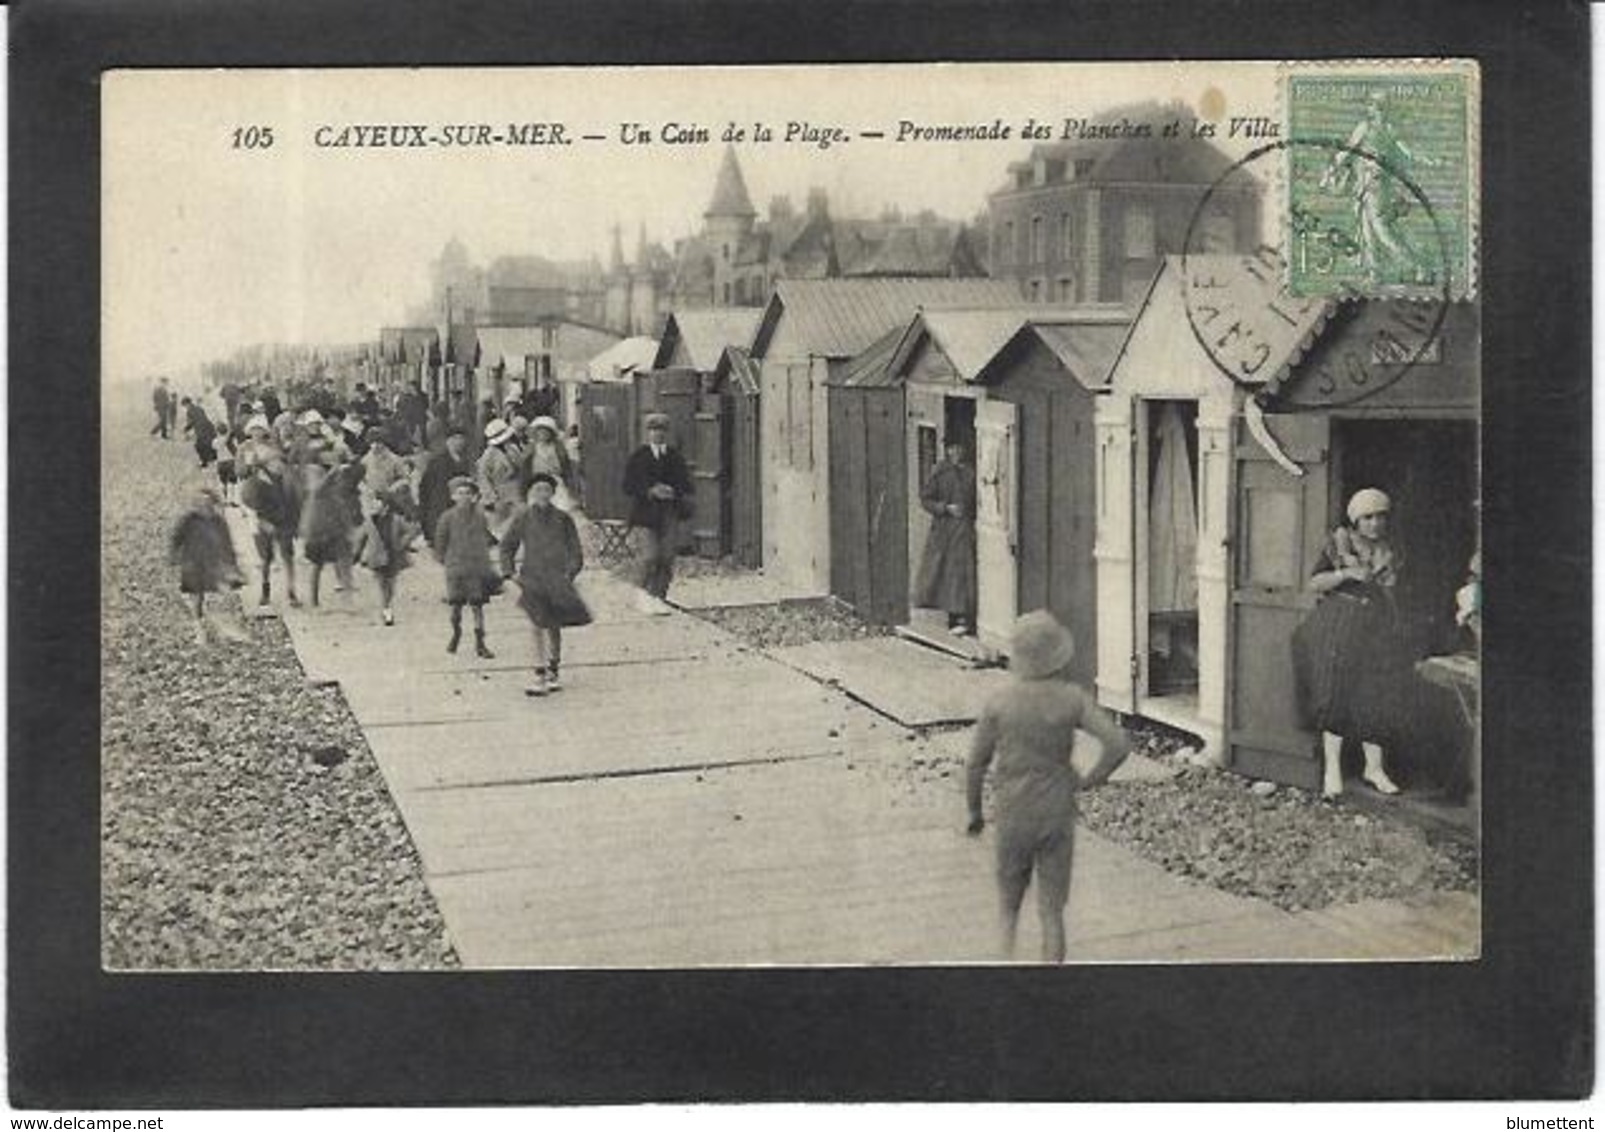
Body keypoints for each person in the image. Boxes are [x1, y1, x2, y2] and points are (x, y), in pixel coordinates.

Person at [965, 610, 1132, 964]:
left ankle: (1002, 969)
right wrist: (1091, 780)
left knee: (1008, 908)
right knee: (1052, 912)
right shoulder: (1072, 698)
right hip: (1056, 811)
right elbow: (1117, 744)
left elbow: (976, 764)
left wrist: (974, 811)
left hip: (1012, 811)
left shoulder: (999, 703)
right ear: (1057, 655)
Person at [1292, 487, 1409, 797]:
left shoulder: (1391, 551)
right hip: (1341, 623)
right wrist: (1346, 574)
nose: (1375, 524)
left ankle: (1374, 769)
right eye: (1368, 518)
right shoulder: (1339, 545)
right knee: (1336, 695)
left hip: (1377, 627)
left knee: (1376, 696)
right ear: (1356, 521)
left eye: (1380, 517)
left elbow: (1395, 591)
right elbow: (1315, 582)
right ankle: (1333, 770)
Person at [500, 473, 589, 697]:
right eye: (537, 490)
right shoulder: (523, 517)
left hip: (557, 577)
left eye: (546, 490)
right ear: (531, 493)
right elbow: (507, 545)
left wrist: (571, 571)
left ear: (553, 493)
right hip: (532, 576)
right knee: (536, 623)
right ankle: (538, 670)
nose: (542, 494)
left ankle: (553, 668)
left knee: (554, 624)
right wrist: (508, 572)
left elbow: (575, 549)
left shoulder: (563, 519)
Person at [622, 413, 693, 613]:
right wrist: (649, 490)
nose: (657, 434)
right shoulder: (639, 457)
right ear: (648, 433)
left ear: (666, 433)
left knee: (667, 557)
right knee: (649, 556)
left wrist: (673, 491)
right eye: (653, 430)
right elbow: (627, 486)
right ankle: (639, 595)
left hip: (669, 513)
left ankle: (658, 597)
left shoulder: (675, 457)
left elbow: (686, 485)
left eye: (661, 431)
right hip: (646, 514)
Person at [168, 487, 248, 646]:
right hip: (193, 563)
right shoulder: (188, 520)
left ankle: (221, 627)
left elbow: (227, 543)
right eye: (200, 503)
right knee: (196, 596)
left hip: (214, 564)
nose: (204, 506)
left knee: (219, 596)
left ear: (213, 504)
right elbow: (176, 538)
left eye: (208, 503)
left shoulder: (218, 521)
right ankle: (199, 628)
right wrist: (174, 556)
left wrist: (232, 565)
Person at [914, 438, 978, 635]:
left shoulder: (971, 472)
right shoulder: (940, 471)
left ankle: (964, 617)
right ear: (948, 450)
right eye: (953, 448)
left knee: (962, 573)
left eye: (960, 447)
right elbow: (925, 499)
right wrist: (945, 508)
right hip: (944, 530)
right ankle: (949, 616)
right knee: (943, 573)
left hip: (964, 529)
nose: (957, 452)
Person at [433, 476, 498, 658]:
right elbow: (440, 542)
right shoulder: (447, 517)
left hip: (476, 567)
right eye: (460, 493)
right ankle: (456, 633)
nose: (464, 497)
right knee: (456, 606)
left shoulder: (480, 517)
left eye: (468, 493)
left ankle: (480, 642)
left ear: (474, 496)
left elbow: (486, 539)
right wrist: (446, 561)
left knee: (478, 606)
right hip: (456, 567)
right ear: (453, 497)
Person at [238, 444, 302, 610]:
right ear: (267, 465)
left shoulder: (286, 481)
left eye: (281, 463)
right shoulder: (256, 482)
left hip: (285, 523)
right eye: (276, 463)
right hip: (265, 524)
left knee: (288, 558)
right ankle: (265, 593)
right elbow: (249, 504)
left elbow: (294, 502)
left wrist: (295, 524)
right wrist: (262, 523)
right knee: (266, 560)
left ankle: (291, 591)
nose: (280, 466)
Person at [352, 484, 412, 626]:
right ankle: (386, 609)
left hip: (393, 556)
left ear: (386, 505)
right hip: (376, 557)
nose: (374, 505)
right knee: (381, 583)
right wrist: (356, 554)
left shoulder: (396, 519)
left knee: (390, 584)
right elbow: (361, 538)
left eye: (377, 502)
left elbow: (411, 530)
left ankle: (387, 604)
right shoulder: (369, 521)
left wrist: (403, 542)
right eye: (373, 502)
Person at [418, 425, 474, 548]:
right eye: (455, 439)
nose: (459, 442)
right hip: (440, 509)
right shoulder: (437, 463)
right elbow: (426, 491)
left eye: (461, 439)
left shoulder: (464, 461)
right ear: (448, 441)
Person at [477, 419, 524, 538]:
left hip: (515, 489)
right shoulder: (488, 455)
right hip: (499, 491)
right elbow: (483, 476)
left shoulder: (513, 449)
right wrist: (490, 495)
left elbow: (521, 468)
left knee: (517, 520)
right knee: (500, 524)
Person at [524, 416, 575, 511]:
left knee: (561, 507)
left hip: (555, 481)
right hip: (537, 481)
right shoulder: (531, 448)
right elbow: (525, 467)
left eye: (546, 431)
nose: (543, 434)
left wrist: (570, 485)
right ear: (536, 433)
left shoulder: (558, 447)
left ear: (551, 433)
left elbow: (566, 467)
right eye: (540, 431)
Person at [181, 396, 218, 469]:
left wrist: (185, 429)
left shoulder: (189, 411)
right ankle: (214, 457)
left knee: (199, 446)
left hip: (202, 430)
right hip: (209, 427)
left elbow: (191, 422)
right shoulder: (199, 408)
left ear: (187, 404)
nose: (185, 407)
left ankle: (204, 462)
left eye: (185, 406)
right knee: (210, 443)